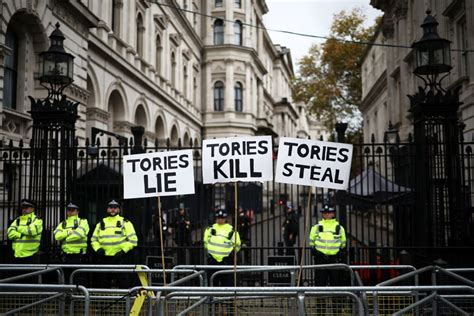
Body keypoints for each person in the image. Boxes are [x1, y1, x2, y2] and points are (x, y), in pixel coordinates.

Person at [309, 204, 347, 286]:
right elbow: (311, 242)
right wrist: (315, 252)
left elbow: (343, 243)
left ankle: (335, 299)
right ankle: (321, 299)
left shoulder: (339, 228)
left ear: (333, 214)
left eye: (329, 212)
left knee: (335, 282)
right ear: (322, 214)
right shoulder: (316, 227)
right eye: (325, 212)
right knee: (320, 283)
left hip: (334, 259)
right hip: (320, 259)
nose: (327, 214)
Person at [91, 200, 138, 264]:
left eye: (115, 208)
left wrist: (123, 252)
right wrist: (98, 249)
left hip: (120, 258)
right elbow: (94, 239)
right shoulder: (101, 223)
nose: (113, 209)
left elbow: (133, 240)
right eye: (111, 207)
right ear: (107, 209)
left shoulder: (125, 222)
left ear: (119, 210)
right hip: (103, 258)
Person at [203, 208, 241, 286]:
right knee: (213, 283)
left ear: (225, 218)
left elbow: (237, 244)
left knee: (227, 283)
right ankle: (212, 298)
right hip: (212, 260)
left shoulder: (231, 230)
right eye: (218, 218)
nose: (220, 220)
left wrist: (231, 253)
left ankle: (226, 298)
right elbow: (205, 242)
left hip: (226, 260)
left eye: (222, 218)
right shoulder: (210, 229)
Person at [7, 199, 43, 263]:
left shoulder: (37, 220)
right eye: (23, 208)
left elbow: (31, 231)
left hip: (30, 255)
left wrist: (18, 228)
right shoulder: (17, 220)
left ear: (32, 209)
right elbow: (10, 234)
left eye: (26, 208)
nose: (24, 210)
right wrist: (20, 234)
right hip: (17, 254)